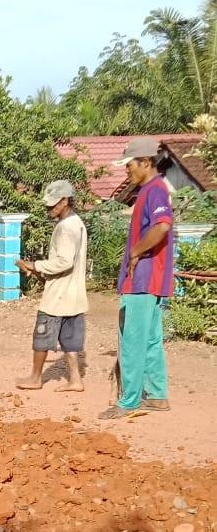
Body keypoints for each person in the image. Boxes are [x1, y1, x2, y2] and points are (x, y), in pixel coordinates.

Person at [99, 137, 174, 419]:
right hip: (150, 280)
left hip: (142, 280)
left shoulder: (154, 190)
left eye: (129, 165)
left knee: (131, 340)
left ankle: (129, 401)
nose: (126, 170)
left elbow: (162, 226)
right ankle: (157, 395)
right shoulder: (149, 190)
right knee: (151, 340)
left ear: (145, 163)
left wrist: (135, 253)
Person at [15, 180, 89, 392]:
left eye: (53, 205)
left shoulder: (65, 228)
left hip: (57, 296)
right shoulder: (77, 223)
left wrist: (35, 265)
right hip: (73, 294)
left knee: (42, 336)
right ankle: (75, 379)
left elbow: (64, 262)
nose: (49, 209)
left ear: (65, 201)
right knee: (70, 340)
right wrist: (38, 271)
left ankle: (35, 377)